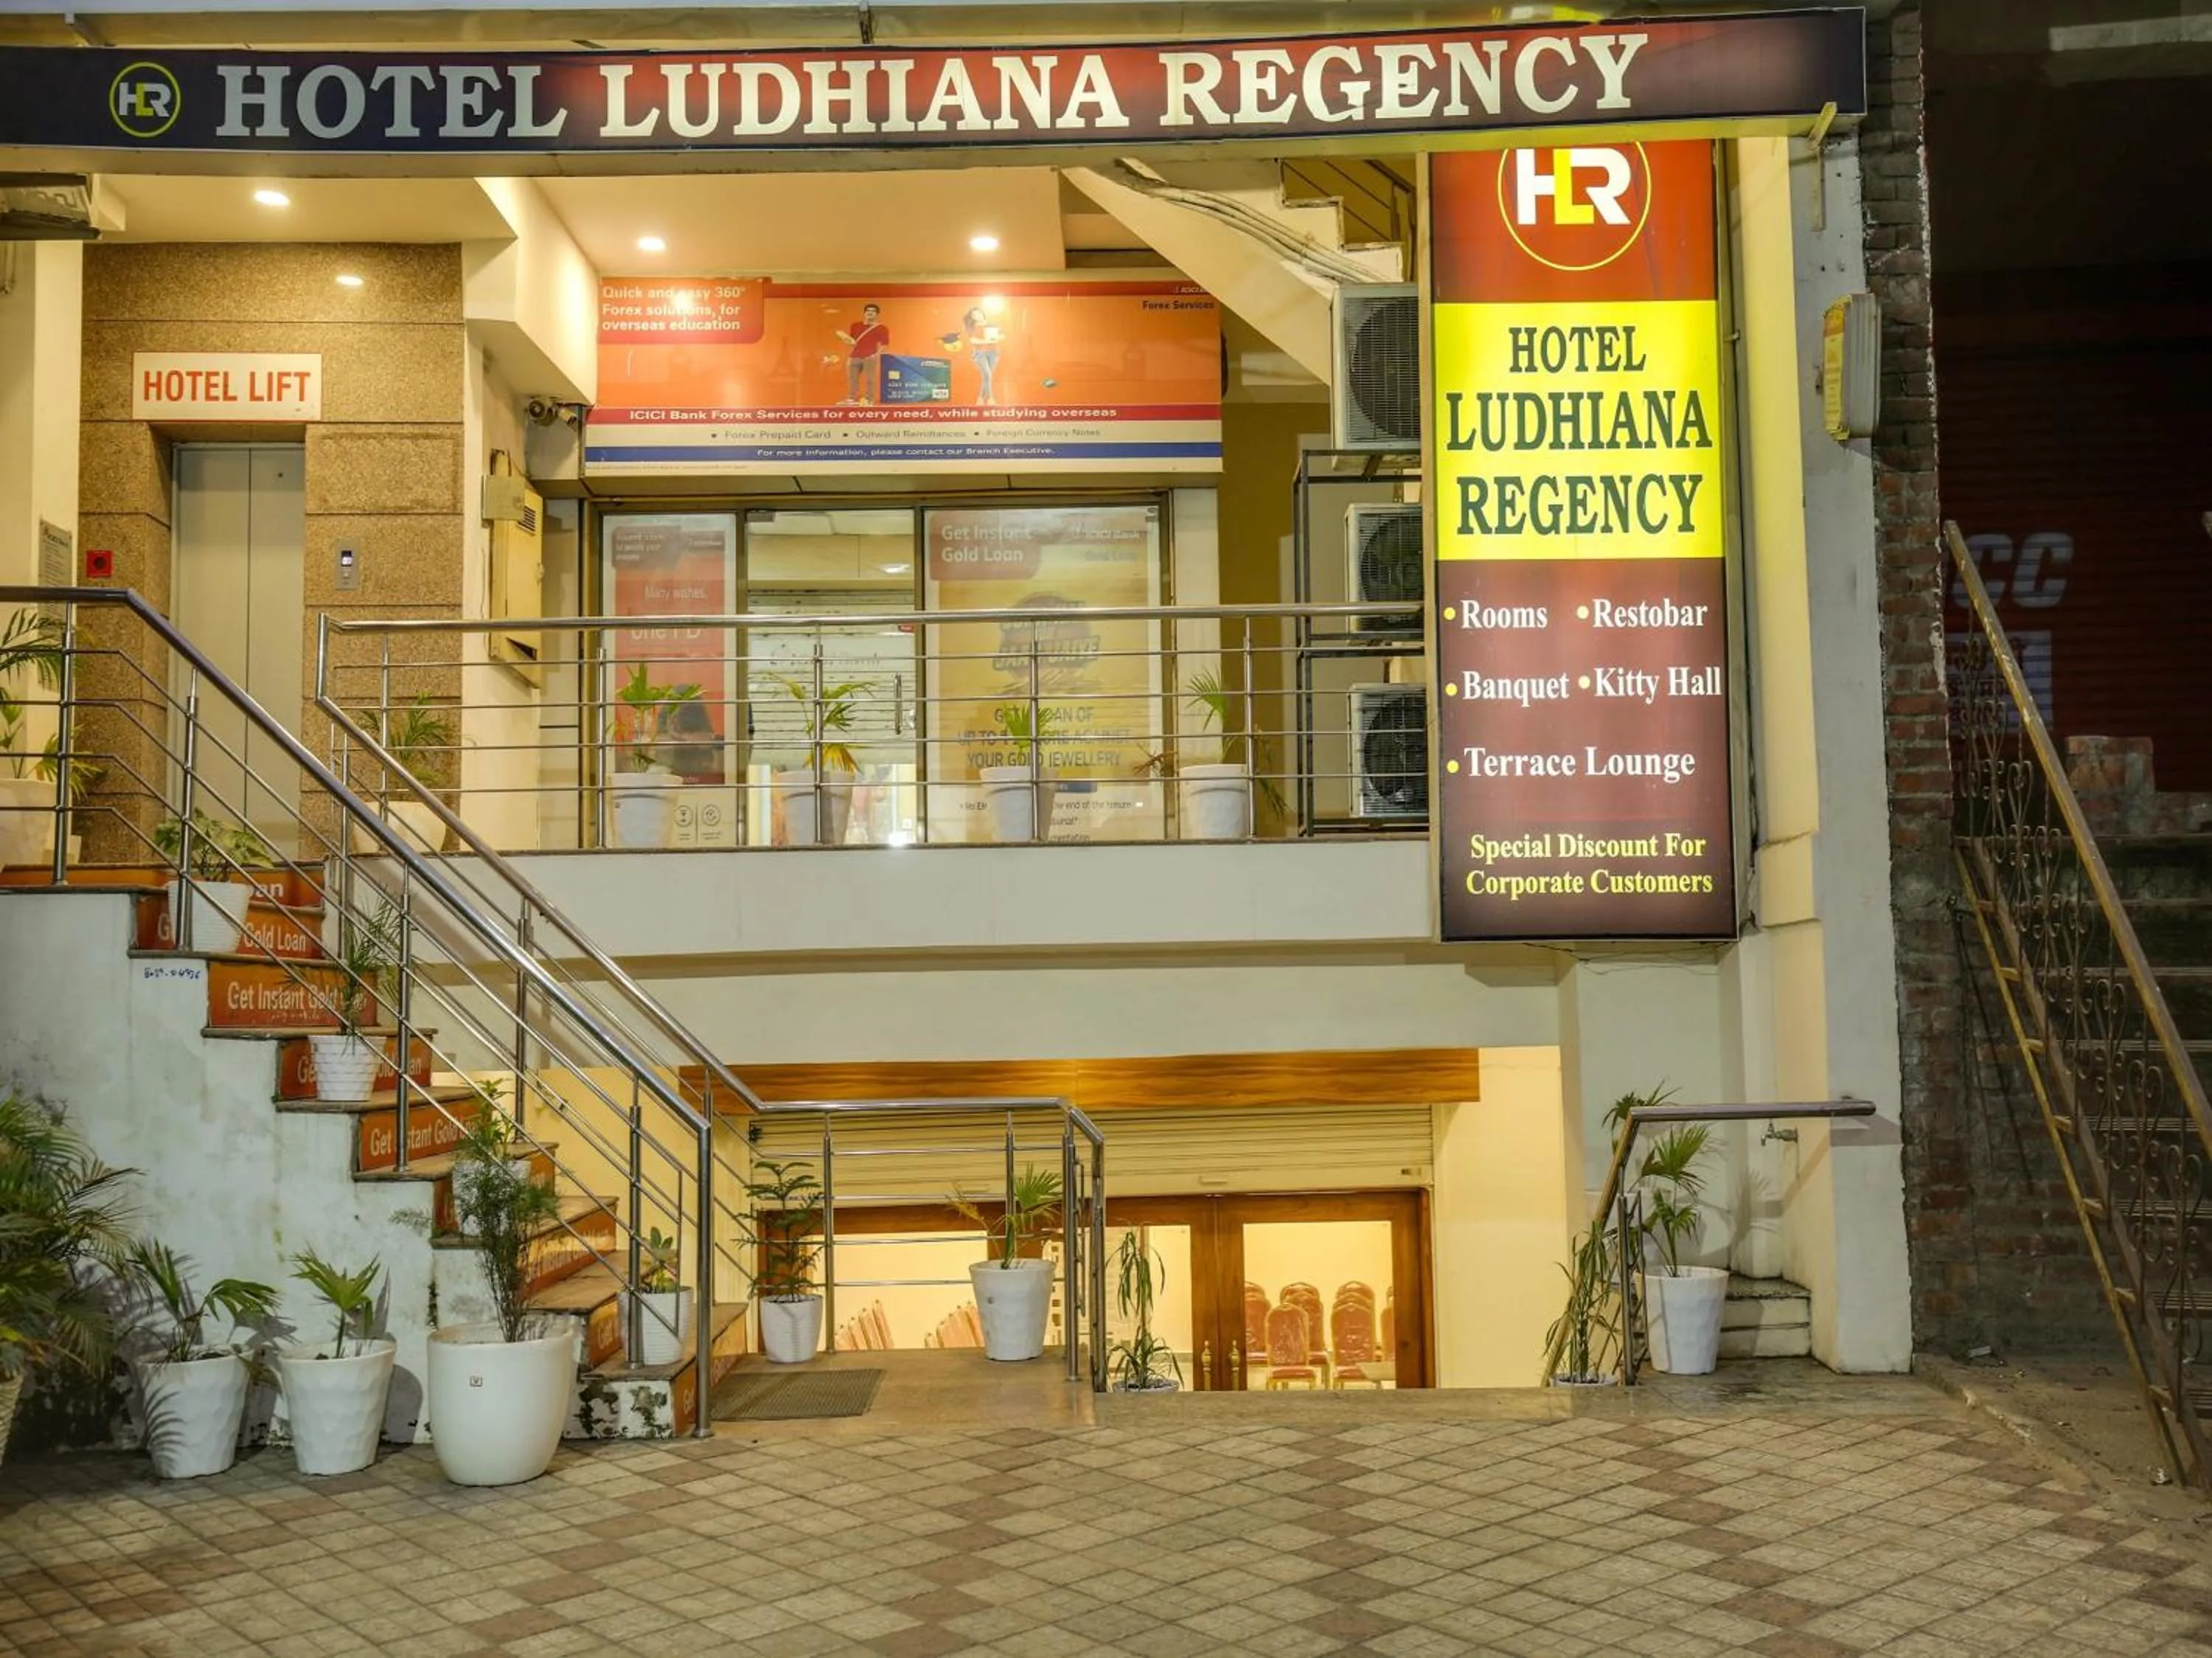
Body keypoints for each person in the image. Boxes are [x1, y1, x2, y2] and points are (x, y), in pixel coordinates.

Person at [940, 305, 1004, 406]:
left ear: (982, 313)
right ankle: (991, 398)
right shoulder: (972, 327)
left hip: (994, 352)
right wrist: (986, 341)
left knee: (987, 377)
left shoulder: (992, 324)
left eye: (979, 313)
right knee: (987, 375)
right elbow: (972, 340)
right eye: (975, 315)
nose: (978, 316)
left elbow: (1002, 335)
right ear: (972, 318)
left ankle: (980, 398)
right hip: (980, 353)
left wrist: (998, 338)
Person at [835, 303, 888, 403]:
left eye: (873, 311)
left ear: (877, 314)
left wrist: (876, 355)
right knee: (852, 379)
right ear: (864, 313)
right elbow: (852, 342)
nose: (870, 313)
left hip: (870, 356)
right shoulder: (855, 326)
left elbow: (885, 344)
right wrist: (845, 339)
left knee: (870, 380)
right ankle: (852, 398)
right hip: (854, 356)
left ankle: (869, 399)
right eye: (868, 311)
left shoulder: (882, 328)